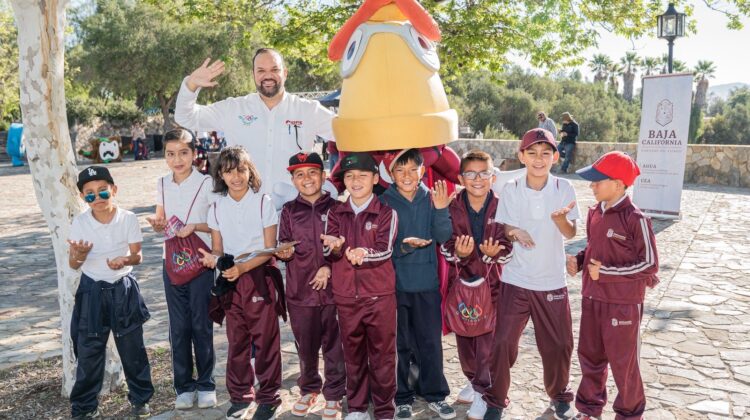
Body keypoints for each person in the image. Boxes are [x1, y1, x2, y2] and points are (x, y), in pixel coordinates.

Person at [483, 129, 580, 420]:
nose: (539, 159)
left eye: (545, 153)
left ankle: (559, 396)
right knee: (502, 342)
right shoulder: (512, 188)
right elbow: (505, 227)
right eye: (533, 153)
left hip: (552, 281)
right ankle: (496, 401)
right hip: (516, 280)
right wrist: (515, 231)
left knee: (559, 345)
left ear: (555, 157)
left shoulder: (564, 188)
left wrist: (561, 220)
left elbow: (570, 232)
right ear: (522, 156)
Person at [174, 48, 337, 208]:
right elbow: (186, 117)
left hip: (296, 212)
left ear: (285, 73)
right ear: (253, 74)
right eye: (261, 70)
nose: (268, 75)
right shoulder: (233, 109)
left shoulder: (308, 110)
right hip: (245, 211)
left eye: (274, 69)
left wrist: (338, 182)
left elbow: (346, 133)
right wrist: (191, 84)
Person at [569, 151, 659, 420]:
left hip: (622, 305)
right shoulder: (594, 212)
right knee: (590, 357)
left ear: (619, 184)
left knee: (623, 363)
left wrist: (605, 272)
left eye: (598, 181)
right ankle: (588, 409)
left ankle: (630, 414)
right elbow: (593, 248)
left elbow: (650, 264)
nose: (592, 186)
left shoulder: (636, 218)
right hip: (592, 298)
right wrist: (580, 261)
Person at [197, 146, 283, 420]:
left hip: (258, 275)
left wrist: (243, 267)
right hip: (231, 279)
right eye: (228, 171)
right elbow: (218, 249)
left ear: (250, 171)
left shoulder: (263, 202)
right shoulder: (217, 207)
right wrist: (213, 259)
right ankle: (240, 396)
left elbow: (269, 249)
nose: (235, 177)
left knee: (266, 340)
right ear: (220, 175)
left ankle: (269, 398)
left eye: (241, 170)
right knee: (237, 341)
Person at [68, 166, 153, 419]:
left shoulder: (128, 218)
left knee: (132, 349)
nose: (97, 198)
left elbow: (137, 256)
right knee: (89, 350)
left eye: (103, 191)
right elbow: (73, 264)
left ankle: (140, 400)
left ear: (113, 190)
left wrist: (124, 260)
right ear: (83, 197)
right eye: (90, 194)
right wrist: (80, 255)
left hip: (122, 289)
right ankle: (84, 407)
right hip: (91, 290)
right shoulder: (80, 222)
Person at [379, 149, 456, 420]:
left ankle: (435, 395)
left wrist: (442, 209)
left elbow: (443, 235)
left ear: (423, 171)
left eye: (413, 169)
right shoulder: (383, 202)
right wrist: (403, 246)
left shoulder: (432, 198)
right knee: (399, 345)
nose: (407, 175)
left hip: (427, 285)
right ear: (391, 174)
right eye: (400, 170)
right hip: (395, 286)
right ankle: (401, 398)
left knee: (430, 343)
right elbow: (381, 245)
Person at [321, 152, 398, 420]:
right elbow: (329, 252)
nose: (356, 181)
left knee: (383, 357)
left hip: (379, 297)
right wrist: (335, 248)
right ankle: (356, 408)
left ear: (375, 179)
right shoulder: (335, 212)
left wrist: (363, 253)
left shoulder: (387, 212)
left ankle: (385, 410)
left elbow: (385, 249)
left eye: (362, 176)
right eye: (350, 176)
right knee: (352, 355)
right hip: (346, 298)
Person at [146, 128, 218, 410]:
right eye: (171, 154)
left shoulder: (207, 183)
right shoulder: (162, 183)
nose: (177, 160)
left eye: (184, 153)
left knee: (201, 324)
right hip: (172, 263)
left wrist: (194, 226)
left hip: (201, 261)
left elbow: (216, 224)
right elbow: (161, 218)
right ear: (164, 156)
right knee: (179, 327)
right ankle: (184, 387)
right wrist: (157, 224)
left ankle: (206, 384)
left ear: (194, 153)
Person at [439, 150, 512, 420]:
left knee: (487, 341)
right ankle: (473, 380)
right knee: (465, 337)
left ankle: (484, 391)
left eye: (484, 173)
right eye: (470, 174)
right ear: (461, 179)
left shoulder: (504, 206)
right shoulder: (452, 207)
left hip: (493, 286)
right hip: (462, 285)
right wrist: (458, 253)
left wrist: (495, 253)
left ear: (493, 178)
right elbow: (445, 244)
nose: (477, 179)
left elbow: (508, 245)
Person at [276, 152, 346, 420]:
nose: (307, 179)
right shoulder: (288, 211)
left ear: (323, 176)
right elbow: (284, 244)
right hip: (300, 292)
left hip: (334, 292)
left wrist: (329, 265)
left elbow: (344, 246)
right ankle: (309, 388)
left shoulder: (338, 208)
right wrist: (284, 253)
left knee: (334, 345)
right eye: (299, 174)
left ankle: (335, 393)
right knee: (305, 346)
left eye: (312, 172)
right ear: (293, 180)